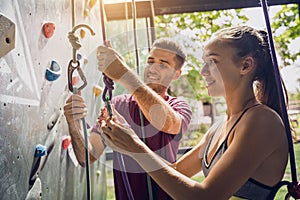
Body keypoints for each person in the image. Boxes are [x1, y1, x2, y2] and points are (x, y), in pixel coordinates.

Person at [99, 25, 289, 200]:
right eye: (204, 62)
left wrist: (134, 146)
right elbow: (175, 173)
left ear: (245, 66)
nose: (203, 71)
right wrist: (127, 141)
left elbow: (204, 197)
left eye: (213, 61)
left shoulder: (262, 121)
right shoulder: (220, 127)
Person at [63, 38, 192, 199]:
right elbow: (87, 156)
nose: (152, 68)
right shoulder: (118, 104)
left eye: (163, 64)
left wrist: (124, 74)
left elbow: (166, 122)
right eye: (150, 61)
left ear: (176, 74)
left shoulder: (179, 107)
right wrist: (73, 123)